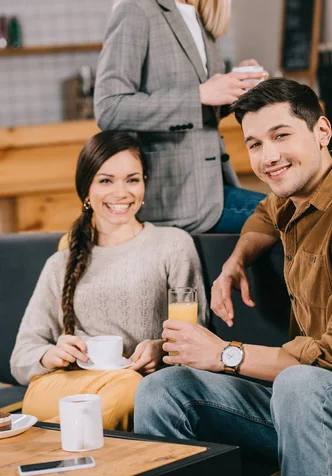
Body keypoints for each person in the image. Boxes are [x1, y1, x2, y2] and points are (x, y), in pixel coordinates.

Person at [133, 79, 332, 475]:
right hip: (309, 404)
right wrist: (235, 262)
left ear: (322, 131)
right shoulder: (297, 194)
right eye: (255, 144)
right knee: (164, 388)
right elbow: (264, 213)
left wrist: (225, 354)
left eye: (281, 135)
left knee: (299, 383)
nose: (268, 156)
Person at [94, 0, 266, 234]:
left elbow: (202, 106)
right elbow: (109, 108)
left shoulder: (198, 16)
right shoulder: (136, 8)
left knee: (302, 219)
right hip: (172, 198)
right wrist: (200, 94)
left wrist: (236, 87)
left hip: (213, 188)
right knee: (297, 221)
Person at [11, 130, 208, 431]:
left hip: (133, 390)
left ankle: (41, 445)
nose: (121, 192)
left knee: (132, 388)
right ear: (86, 191)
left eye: (132, 179)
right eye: (106, 180)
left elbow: (197, 336)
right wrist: (51, 354)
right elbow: (21, 357)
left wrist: (162, 350)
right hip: (62, 388)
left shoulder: (173, 245)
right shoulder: (60, 263)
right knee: (126, 390)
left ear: (144, 184)